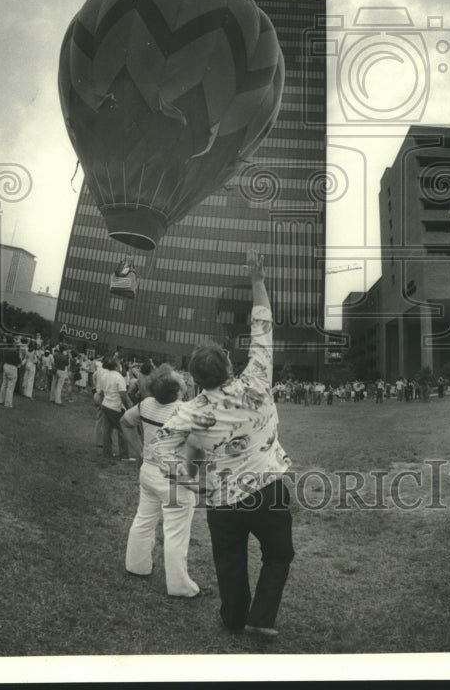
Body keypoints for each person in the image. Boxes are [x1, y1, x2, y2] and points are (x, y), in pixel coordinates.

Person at [151, 248, 294, 638]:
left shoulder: (189, 410)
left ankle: (234, 618)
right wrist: (257, 280)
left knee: (229, 562)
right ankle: (260, 619)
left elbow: (157, 450)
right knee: (279, 554)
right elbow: (263, 325)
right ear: (230, 365)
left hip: (221, 499)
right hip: (270, 488)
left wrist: (190, 481)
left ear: (195, 378)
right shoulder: (257, 378)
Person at [121, 364, 200, 597]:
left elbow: (125, 423)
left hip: (149, 471)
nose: (183, 377)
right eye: (179, 377)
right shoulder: (187, 411)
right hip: (174, 476)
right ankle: (179, 586)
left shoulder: (146, 405)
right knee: (176, 531)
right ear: (176, 390)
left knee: (144, 519)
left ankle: (136, 565)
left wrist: (140, 451)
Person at [96, 353, 133, 460]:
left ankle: (107, 453)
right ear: (116, 366)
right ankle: (124, 455)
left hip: (106, 404)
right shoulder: (119, 377)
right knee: (122, 430)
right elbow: (123, 395)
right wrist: (128, 407)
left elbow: (102, 392)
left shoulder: (104, 375)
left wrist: (105, 400)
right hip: (115, 407)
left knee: (107, 430)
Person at [0, 336, 23, 408]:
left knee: (4, 384)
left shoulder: (5, 349)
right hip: (12, 367)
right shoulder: (14, 351)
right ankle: (8, 403)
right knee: (10, 386)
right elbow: (19, 361)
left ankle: (1, 400)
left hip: (5, 365)